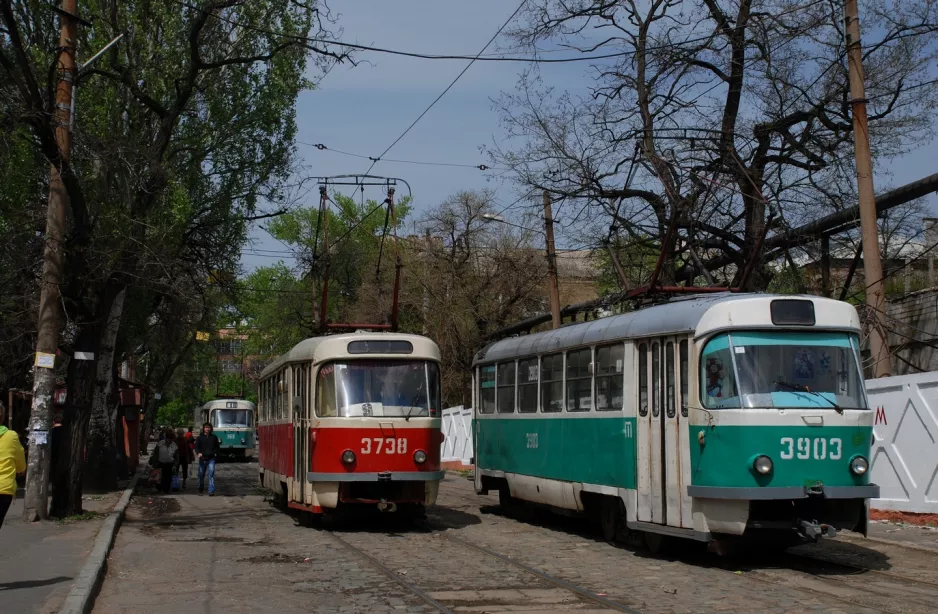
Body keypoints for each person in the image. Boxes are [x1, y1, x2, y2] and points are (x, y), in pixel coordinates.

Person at [0, 402, 26, 528]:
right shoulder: (11, 436)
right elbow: (21, 465)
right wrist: (20, 470)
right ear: (2, 416)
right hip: (3, 489)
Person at [194, 422, 221, 496]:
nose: (207, 429)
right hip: (202, 459)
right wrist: (198, 453)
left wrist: (216, 454)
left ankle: (211, 491)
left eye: (209, 427)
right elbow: (196, 447)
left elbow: (217, 447)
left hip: (211, 459)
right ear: (203, 429)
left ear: (211, 428)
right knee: (201, 475)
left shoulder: (214, 437)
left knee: (211, 475)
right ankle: (200, 489)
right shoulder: (200, 437)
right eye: (206, 427)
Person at [155, 428, 179, 494]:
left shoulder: (174, 445)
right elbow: (156, 453)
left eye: (171, 439)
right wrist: (155, 462)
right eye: (168, 439)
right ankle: (159, 489)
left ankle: (166, 490)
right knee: (159, 477)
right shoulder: (160, 444)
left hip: (169, 464)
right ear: (166, 438)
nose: (169, 441)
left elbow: (177, 457)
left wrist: (175, 465)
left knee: (168, 478)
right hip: (161, 463)